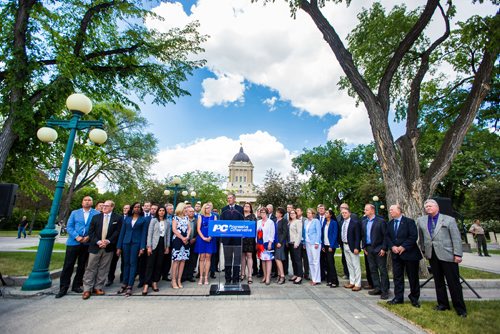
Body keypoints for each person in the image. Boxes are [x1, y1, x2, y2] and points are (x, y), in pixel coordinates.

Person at [417, 199, 467, 317]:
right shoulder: (421, 220)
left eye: (430, 206)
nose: (428, 208)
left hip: (448, 255)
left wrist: (458, 254)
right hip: (432, 255)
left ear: (437, 207)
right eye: (426, 207)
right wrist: (424, 251)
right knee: (438, 282)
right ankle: (443, 304)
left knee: (453, 282)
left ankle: (460, 308)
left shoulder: (449, 220)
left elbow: (456, 238)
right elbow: (422, 238)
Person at [55, 196, 100, 298]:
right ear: (82, 202)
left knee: (82, 266)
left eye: (89, 200)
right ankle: (63, 288)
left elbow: (97, 228)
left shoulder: (96, 214)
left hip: (87, 243)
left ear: (92, 203)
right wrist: (77, 236)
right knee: (68, 265)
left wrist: (88, 237)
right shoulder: (75, 213)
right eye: (85, 200)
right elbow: (69, 226)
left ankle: (76, 285)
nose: (87, 202)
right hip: (73, 243)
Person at [82, 200, 122, 299]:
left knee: (104, 268)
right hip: (95, 246)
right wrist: (98, 242)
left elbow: (118, 232)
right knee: (90, 267)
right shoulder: (96, 217)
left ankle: (98, 287)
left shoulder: (117, 218)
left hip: (108, 247)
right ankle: (87, 289)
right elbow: (91, 232)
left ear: (112, 207)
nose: (104, 207)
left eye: (107, 206)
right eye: (103, 205)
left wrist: (108, 241)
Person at [386, 204, 422, 307]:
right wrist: (392, 246)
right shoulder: (389, 224)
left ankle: (414, 298)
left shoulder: (409, 222)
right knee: (397, 277)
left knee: (413, 277)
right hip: (396, 255)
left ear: (399, 210)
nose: (390, 211)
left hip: (410, 254)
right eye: (390, 210)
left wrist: (403, 247)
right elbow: (387, 237)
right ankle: (398, 297)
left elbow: (413, 236)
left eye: (392, 210)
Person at [116, 202, 148, 297]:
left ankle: (130, 285)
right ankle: (124, 283)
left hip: (136, 243)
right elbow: (122, 233)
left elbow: (144, 234)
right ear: (132, 208)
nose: (137, 208)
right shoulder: (127, 219)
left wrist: (142, 247)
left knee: (133, 264)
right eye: (135, 207)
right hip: (126, 243)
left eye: (138, 207)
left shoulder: (143, 220)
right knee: (126, 263)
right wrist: (119, 247)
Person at [362, 204, 389, 299]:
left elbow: (386, 236)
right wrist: (364, 247)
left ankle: (385, 290)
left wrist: (384, 248)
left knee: (382, 270)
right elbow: (363, 235)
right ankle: (377, 288)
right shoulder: (364, 222)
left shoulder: (380, 221)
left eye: (366, 209)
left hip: (379, 248)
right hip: (369, 249)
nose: (364, 211)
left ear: (372, 211)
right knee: (372, 269)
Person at [143, 206, 170, 295]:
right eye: (160, 211)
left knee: (159, 264)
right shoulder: (154, 220)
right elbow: (149, 234)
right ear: (157, 212)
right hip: (154, 244)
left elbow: (168, 235)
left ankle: (155, 282)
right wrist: (149, 246)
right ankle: (146, 284)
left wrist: (167, 247)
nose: (161, 212)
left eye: (163, 211)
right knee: (150, 264)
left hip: (162, 244)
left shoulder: (167, 222)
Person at [220, 193, 244, 284]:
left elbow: (242, 222)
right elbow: (221, 223)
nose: (229, 199)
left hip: (237, 239)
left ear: (234, 199)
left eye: (230, 198)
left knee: (237, 260)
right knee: (228, 259)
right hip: (227, 239)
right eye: (228, 198)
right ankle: (227, 278)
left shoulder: (240, 209)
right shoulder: (224, 209)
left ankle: (235, 279)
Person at [194, 202, 217, 285]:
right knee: (202, 257)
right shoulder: (201, 216)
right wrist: (203, 237)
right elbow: (198, 229)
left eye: (209, 207)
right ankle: (201, 277)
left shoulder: (214, 217)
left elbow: (215, 228)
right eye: (206, 208)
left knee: (208, 257)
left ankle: (206, 277)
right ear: (204, 208)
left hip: (210, 238)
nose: (208, 209)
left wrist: (210, 237)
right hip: (201, 238)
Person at [106, 204, 129, 287]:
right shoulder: (119, 217)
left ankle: (123, 277)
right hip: (116, 243)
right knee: (113, 261)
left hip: (126, 243)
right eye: (124, 208)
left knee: (125, 261)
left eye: (127, 208)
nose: (125, 209)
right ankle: (110, 278)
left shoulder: (131, 218)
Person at [340, 207, 362, 291]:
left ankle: (358, 284)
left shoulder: (355, 223)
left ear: (349, 213)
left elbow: (357, 236)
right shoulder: (342, 223)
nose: (344, 214)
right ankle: (352, 282)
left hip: (353, 246)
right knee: (349, 265)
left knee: (356, 265)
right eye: (342, 213)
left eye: (345, 213)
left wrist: (357, 247)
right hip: (345, 245)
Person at [170, 203, 191, 289]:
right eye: (185, 208)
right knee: (176, 261)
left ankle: (179, 279)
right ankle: (173, 280)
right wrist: (182, 237)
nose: (186, 209)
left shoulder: (186, 218)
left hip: (185, 240)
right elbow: (174, 229)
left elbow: (189, 228)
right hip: (178, 240)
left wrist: (187, 237)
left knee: (183, 260)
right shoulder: (175, 217)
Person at [137, 202, 155, 288]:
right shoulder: (145, 219)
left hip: (153, 244)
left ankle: (149, 280)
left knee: (151, 264)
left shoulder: (157, 219)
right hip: (144, 243)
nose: (153, 210)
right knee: (142, 263)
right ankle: (141, 280)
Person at [256, 207, 275, 285]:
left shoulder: (270, 222)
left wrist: (270, 242)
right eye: (261, 212)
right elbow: (256, 233)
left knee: (268, 260)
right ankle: (264, 276)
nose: (262, 214)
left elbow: (272, 233)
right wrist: (256, 242)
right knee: (262, 260)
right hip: (260, 243)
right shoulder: (259, 222)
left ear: (267, 213)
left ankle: (268, 277)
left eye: (263, 212)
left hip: (267, 243)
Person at [303, 208, 322, 286]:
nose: (308, 214)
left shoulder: (316, 221)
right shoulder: (306, 222)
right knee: (310, 261)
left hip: (315, 243)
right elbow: (304, 233)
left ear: (313, 214)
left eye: (310, 213)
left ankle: (317, 279)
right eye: (307, 213)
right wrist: (304, 242)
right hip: (307, 243)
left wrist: (317, 242)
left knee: (315, 261)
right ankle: (313, 277)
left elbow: (319, 232)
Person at [321, 209, 339, 288]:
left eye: (327, 213)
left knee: (331, 263)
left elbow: (335, 235)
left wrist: (331, 246)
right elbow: (322, 234)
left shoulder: (334, 223)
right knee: (327, 263)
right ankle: (329, 280)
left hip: (331, 245)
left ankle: (335, 281)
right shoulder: (324, 222)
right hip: (325, 245)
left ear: (331, 215)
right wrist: (322, 246)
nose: (325, 214)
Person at [240, 202, 257, 284]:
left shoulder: (253, 216)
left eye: (248, 206)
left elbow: (254, 227)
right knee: (242, 256)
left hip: (250, 239)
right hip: (241, 239)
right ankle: (242, 273)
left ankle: (250, 275)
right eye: (245, 206)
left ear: (250, 208)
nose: (246, 207)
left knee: (249, 256)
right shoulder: (240, 216)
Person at [182, 206, 198, 282]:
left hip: (194, 242)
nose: (192, 213)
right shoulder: (183, 220)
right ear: (186, 212)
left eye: (193, 211)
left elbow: (199, 230)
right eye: (190, 211)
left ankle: (190, 275)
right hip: (185, 242)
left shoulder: (197, 220)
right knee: (184, 259)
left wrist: (195, 238)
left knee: (193, 259)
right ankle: (183, 275)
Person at [288, 209, 303, 284]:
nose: (292, 214)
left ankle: (300, 276)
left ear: (296, 214)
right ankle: (295, 274)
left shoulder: (298, 221)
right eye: (290, 213)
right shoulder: (290, 222)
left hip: (296, 243)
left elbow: (299, 233)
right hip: (290, 243)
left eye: (293, 213)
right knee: (293, 260)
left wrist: (297, 243)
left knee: (298, 260)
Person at [274, 207, 289, 285]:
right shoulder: (275, 221)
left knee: (278, 258)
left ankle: (282, 276)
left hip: (280, 243)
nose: (276, 213)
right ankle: (279, 275)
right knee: (277, 258)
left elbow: (285, 232)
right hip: (275, 242)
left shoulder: (284, 221)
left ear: (281, 214)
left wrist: (280, 242)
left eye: (277, 212)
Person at [296, 207, 309, 279]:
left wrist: (304, 242)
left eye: (298, 210)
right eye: (296, 211)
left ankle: (306, 273)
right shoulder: (294, 220)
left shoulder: (305, 220)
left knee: (305, 259)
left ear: (301, 212)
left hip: (304, 242)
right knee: (298, 259)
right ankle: (299, 273)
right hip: (297, 242)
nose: (297, 212)